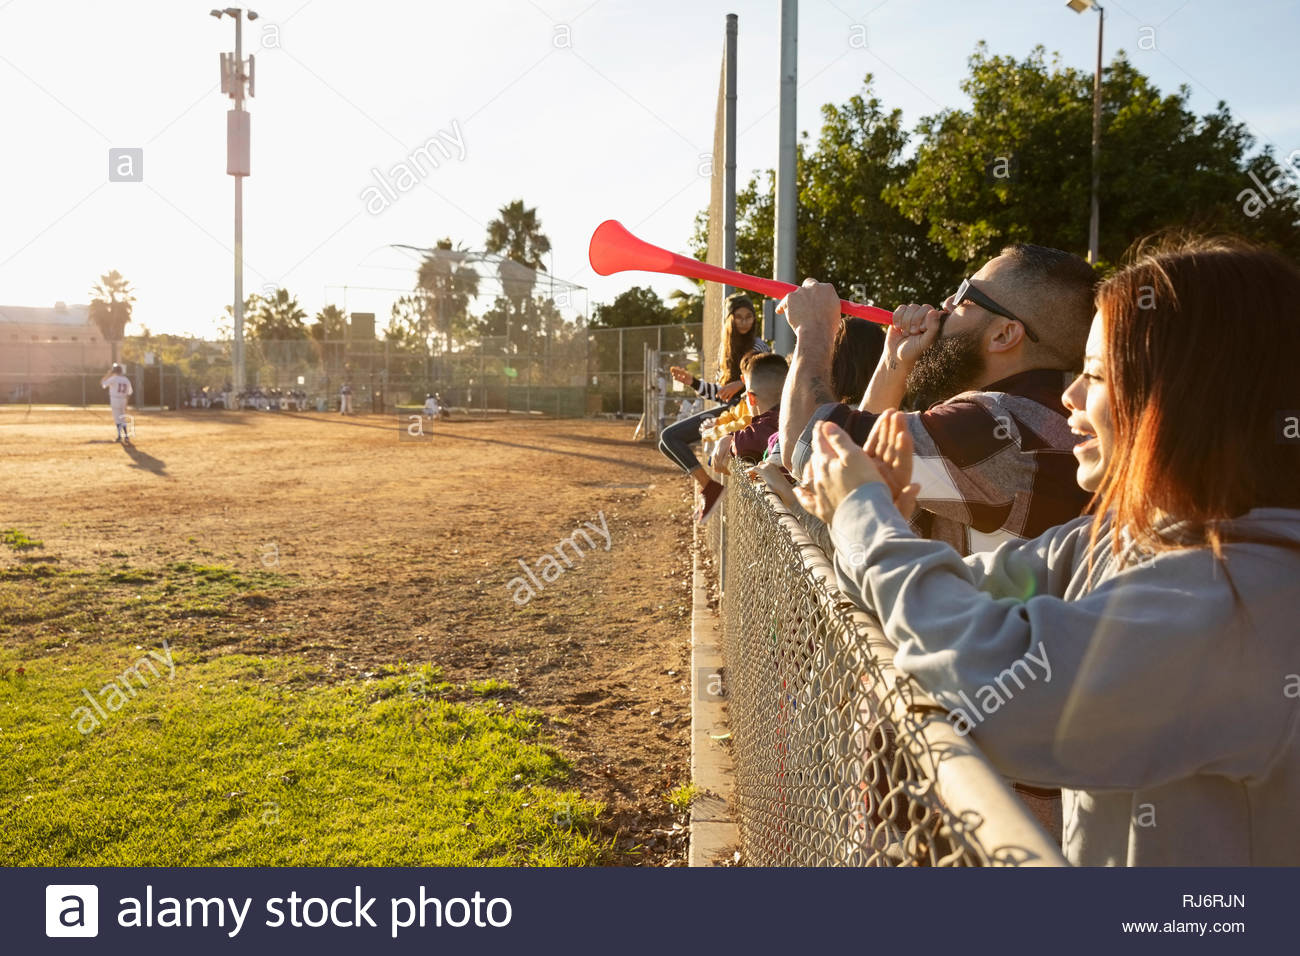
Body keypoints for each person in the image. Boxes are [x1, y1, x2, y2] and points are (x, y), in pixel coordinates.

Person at [796, 236, 1300, 866]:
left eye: (1092, 375)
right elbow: (976, 588)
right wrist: (879, 529)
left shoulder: (1248, 597)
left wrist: (864, 520)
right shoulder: (1127, 534)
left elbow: (1009, 688)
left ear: (1182, 394)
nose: (1068, 399)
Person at [779, 245, 1098, 556]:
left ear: (1004, 335)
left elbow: (813, 445)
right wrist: (894, 362)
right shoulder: (1044, 416)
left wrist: (815, 331)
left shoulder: (994, 428)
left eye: (966, 296)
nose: (947, 303)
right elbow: (855, 472)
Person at [659, 292, 771, 522]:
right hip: (730, 410)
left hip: (751, 412)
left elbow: (768, 374)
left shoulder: (759, 345)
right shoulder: (725, 352)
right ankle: (708, 486)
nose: (744, 321)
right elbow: (721, 394)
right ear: (729, 319)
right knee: (666, 441)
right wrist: (693, 382)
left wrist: (742, 381)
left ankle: (710, 488)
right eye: (738, 316)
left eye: (748, 316)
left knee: (669, 436)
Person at [710, 353, 789, 475]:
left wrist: (728, 439)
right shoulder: (795, 414)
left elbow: (746, 440)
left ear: (751, 398)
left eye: (745, 395)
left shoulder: (765, 427)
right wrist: (729, 436)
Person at [100, 363, 133, 442]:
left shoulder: (114, 378)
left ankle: (119, 436)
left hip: (115, 400)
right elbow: (130, 392)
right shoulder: (126, 379)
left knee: (117, 418)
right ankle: (126, 436)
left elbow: (102, 384)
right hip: (123, 400)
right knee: (123, 418)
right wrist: (126, 403)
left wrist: (108, 374)